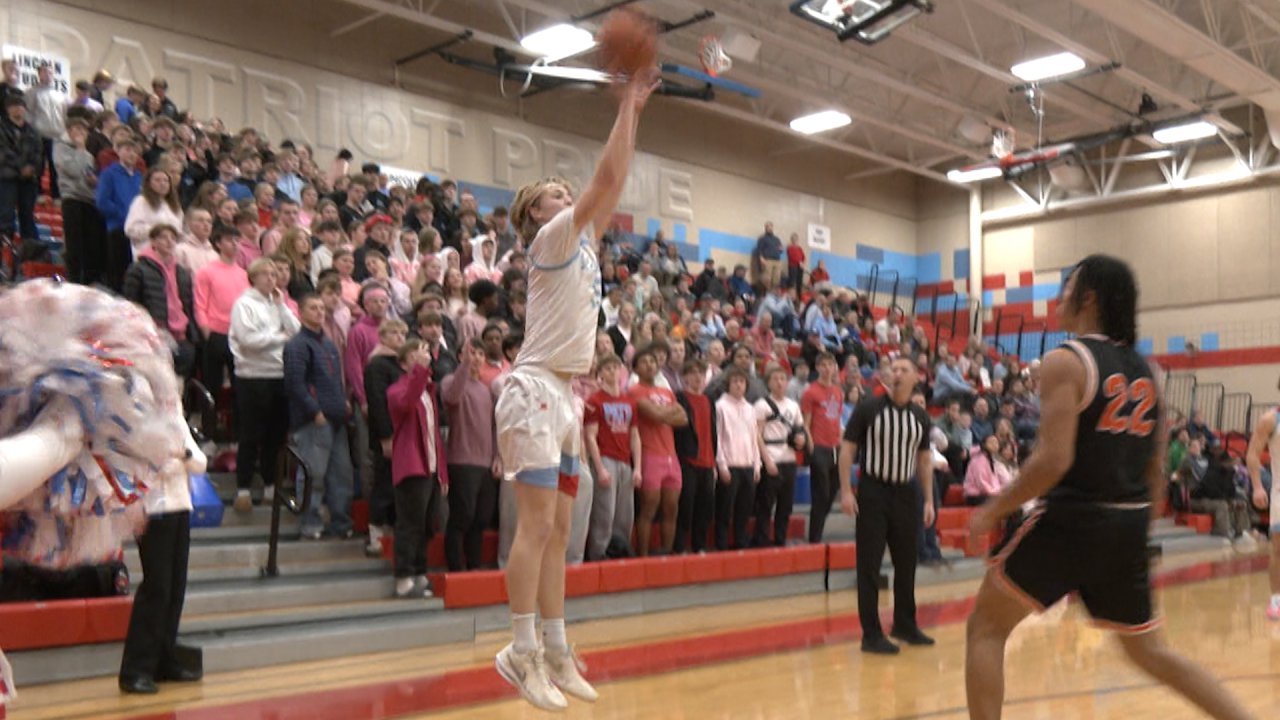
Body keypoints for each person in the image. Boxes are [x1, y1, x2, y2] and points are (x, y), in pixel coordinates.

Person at [964, 255, 1253, 720]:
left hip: (1073, 520)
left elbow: (1054, 460)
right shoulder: (1150, 373)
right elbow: (1155, 475)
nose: (1060, 298)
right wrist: (1130, 533)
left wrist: (993, 509)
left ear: (1089, 298)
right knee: (1150, 653)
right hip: (1127, 523)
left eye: (1068, 288)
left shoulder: (1065, 360)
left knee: (986, 628)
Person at [493, 68, 659, 711]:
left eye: (567, 192)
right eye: (552, 194)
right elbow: (608, 179)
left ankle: (556, 647)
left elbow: (613, 181)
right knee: (535, 530)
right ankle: (519, 648)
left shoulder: (584, 242)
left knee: (561, 532)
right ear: (532, 214)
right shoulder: (552, 236)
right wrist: (628, 102)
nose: (566, 197)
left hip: (566, 396)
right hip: (533, 389)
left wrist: (634, 110)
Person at [838, 355, 935, 654]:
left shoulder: (920, 417)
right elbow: (847, 449)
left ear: (915, 377)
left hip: (906, 493)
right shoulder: (869, 408)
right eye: (894, 369)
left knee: (907, 561)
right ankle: (871, 634)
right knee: (869, 565)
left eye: (904, 369)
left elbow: (924, 459)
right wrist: (845, 491)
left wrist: (929, 498)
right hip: (873, 491)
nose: (897, 373)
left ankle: (905, 624)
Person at [228, 258, 301, 513]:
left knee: (275, 435)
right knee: (251, 434)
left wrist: (282, 307)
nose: (272, 279)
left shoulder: (276, 304)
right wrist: (279, 338)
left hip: (278, 374)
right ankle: (244, 488)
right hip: (252, 375)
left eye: (274, 274)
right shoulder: (243, 304)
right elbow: (248, 340)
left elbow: (296, 330)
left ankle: (271, 485)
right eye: (266, 275)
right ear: (254, 277)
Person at [282, 295, 354, 541]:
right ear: (300, 312)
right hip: (314, 419)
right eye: (313, 308)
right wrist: (315, 411)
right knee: (313, 473)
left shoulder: (329, 344)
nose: (319, 312)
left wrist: (343, 401)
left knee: (341, 474)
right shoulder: (297, 345)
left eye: (322, 308)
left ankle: (340, 522)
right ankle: (309, 523)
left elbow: (335, 380)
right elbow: (295, 384)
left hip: (336, 418)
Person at [386, 340, 449, 598]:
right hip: (412, 466)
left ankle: (419, 572)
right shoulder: (396, 389)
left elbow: (435, 436)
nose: (422, 357)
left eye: (423, 354)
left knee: (427, 524)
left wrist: (443, 473)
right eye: (415, 355)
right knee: (409, 523)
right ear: (403, 363)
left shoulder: (428, 392)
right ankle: (403, 575)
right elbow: (405, 404)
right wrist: (420, 371)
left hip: (431, 468)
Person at [440, 338, 501, 572]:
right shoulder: (450, 381)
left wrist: (497, 457)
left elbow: (494, 427)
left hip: (485, 463)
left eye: (480, 354)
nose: (476, 358)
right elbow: (452, 397)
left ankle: (474, 566)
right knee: (461, 516)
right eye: (471, 353)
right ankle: (455, 567)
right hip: (462, 461)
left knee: (481, 518)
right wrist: (464, 366)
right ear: (460, 356)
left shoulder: (486, 391)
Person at [630, 344, 688, 556]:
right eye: (644, 362)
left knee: (671, 507)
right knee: (649, 507)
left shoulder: (666, 391)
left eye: (653, 361)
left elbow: (683, 419)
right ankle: (643, 553)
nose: (650, 365)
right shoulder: (634, 391)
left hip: (671, 455)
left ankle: (666, 550)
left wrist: (665, 413)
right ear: (635, 369)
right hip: (650, 453)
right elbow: (656, 416)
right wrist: (668, 413)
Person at [584, 353, 641, 561]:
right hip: (606, 457)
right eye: (607, 368)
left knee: (625, 513)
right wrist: (599, 468)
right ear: (600, 374)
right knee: (604, 512)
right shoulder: (595, 400)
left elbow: (635, 436)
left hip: (625, 460)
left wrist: (638, 468)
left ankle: (620, 549)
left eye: (615, 367)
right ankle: (598, 553)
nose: (612, 371)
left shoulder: (630, 401)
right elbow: (590, 437)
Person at [754, 366, 804, 547]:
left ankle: (780, 539)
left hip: (789, 458)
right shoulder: (761, 405)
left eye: (783, 378)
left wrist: (801, 440)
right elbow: (757, 435)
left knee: (786, 505)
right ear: (769, 382)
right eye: (775, 379)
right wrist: (766, 460)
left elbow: (800, 429)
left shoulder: (793, 405)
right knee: (766, 504)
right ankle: (762, 540)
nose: (780, 382)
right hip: (771, 456)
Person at [802, 352, 843, 543]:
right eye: (824, 365)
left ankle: (818, 525)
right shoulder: (811, 392)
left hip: (836, 446)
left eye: (831, 365)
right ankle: (814, 537)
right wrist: (810, 444)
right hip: (818, 446)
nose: (828, 369)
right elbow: (806, 422)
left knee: (833, 490)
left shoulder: (838, 391)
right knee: (822, 492)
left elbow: (837, 418)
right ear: (818, 368)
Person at [1246, 403, 1280, 621]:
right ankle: (1277, 600)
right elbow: (1252, 454)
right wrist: (1257, 486)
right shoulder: (1270, 419)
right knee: (1279, 549)